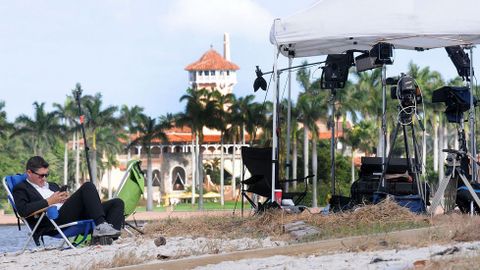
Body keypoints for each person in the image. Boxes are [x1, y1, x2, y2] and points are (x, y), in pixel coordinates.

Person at [13, 156, 125, 239]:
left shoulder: (52, 185)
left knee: (117, 203)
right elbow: (23, 211)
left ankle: (107, 239)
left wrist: (67, 199)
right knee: (87, 186)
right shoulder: (21, 189)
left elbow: (67, 203)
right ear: (29, 172)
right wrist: (50, 201)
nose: (44, 178)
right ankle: (101, 226)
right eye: (41, 175)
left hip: (70, 214)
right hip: (53, 221)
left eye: (46, 175)